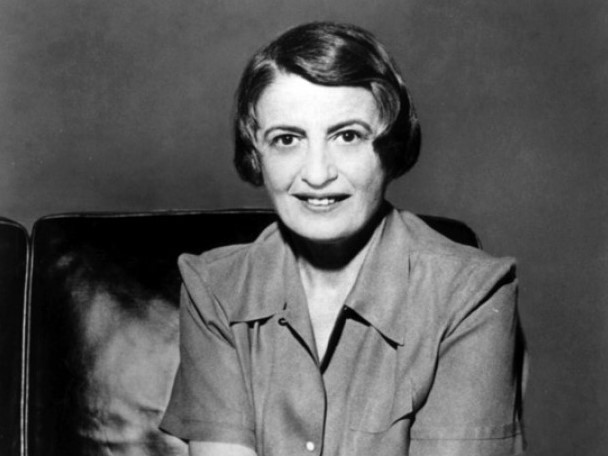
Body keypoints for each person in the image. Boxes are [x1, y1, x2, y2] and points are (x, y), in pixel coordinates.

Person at [160, 21, 526, 456]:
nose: (317, 174)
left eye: (348, 136)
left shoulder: (473, 294)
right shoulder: (213, 287)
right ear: (257, 154)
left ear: (391, 147)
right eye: (287, 139)